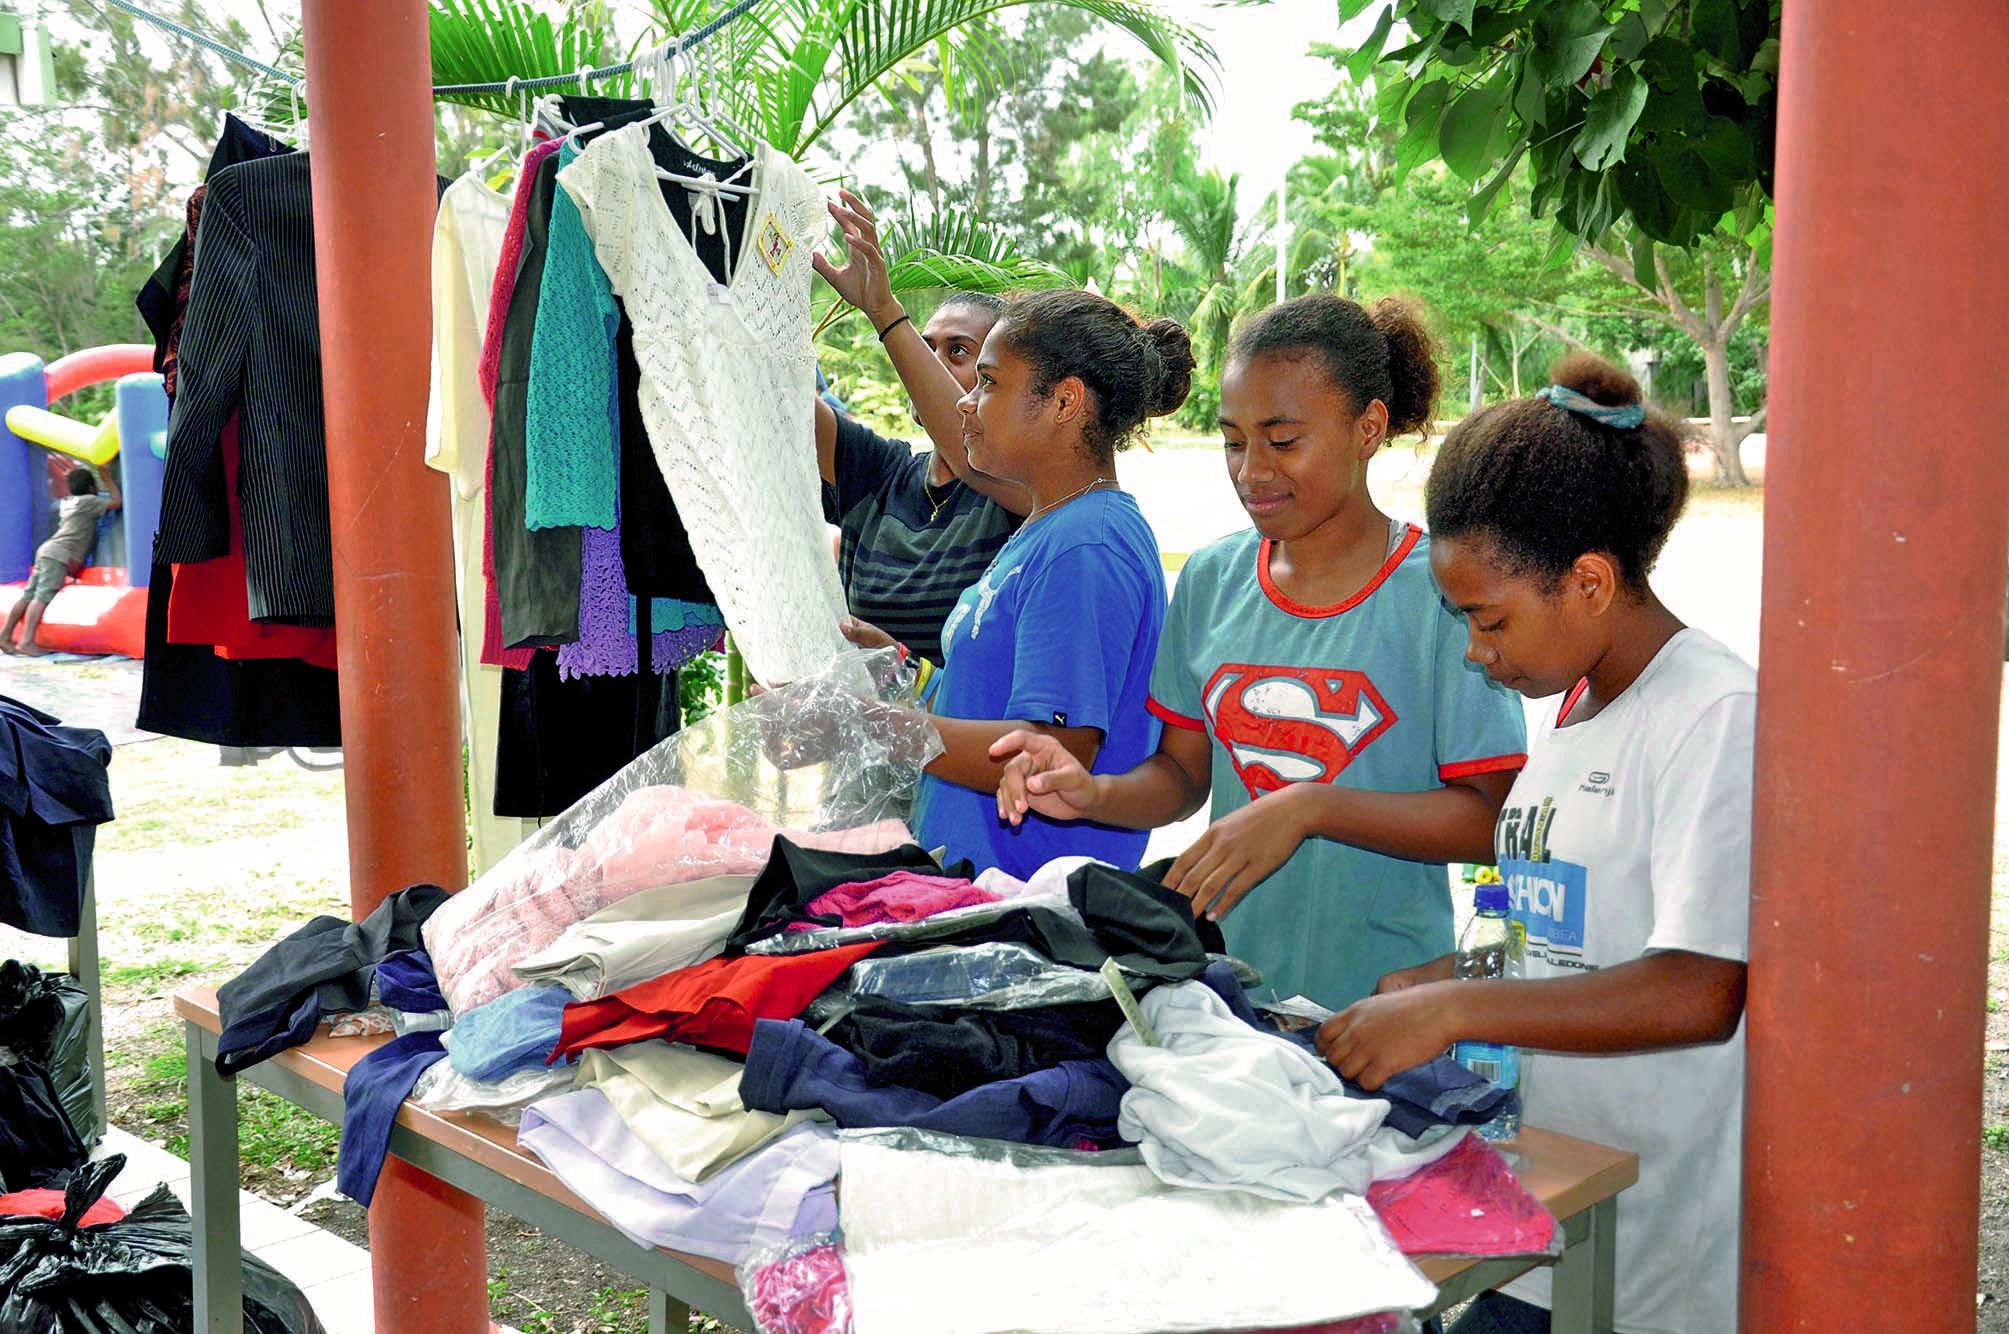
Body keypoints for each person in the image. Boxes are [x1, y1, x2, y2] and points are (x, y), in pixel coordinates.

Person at [1317, 353, 1753, 1334]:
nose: (1475, 649)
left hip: (1650, 1232)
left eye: (1487, 618)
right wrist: (1428, 980)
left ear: (1589, 581)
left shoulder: (1711, 714)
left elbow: (1699, 986)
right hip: (1540, 1200)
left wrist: (1454, 1005)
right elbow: (1547, 914)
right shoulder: (1573, 708)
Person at [992, 294, 1526, 1009]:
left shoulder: (1439, 594)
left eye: (1282, 440)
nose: (1251, 471)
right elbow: (1181, 778)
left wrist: (1310, 807)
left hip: (1385, 1005)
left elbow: (1490, 821)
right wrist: (1093, 794)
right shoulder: (1212, 580)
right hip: (1226, 997)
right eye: (1233, 441)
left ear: (1366, 428)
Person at [854, 287, 1191, 879]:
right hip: (978, 885)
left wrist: (874, 727)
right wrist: (901, 666)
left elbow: (1050, 750)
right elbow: (987, 702)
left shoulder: (1089, 543)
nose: (966, 403)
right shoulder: (1052, 524)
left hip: (1024, 901)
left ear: (1064, 403)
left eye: (987, 382)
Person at [812, 191, 1031, 667]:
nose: (927, 363)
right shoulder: (879, 473)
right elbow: (782, 403)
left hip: (968, 740)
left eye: (958, 351)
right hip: (865, 740)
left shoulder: (1020, 493)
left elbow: (964, 438)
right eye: (924, 346)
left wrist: (884, 309)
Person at [3, 465, 121, 657]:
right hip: (59, 553)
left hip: (48, 550)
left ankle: (5, 635)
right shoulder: (89, 501)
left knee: (28, 595)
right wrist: (107, 479)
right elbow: (117, 502)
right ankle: (26, 641)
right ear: (92, 488)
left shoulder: (68, 502)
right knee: (42, 597)